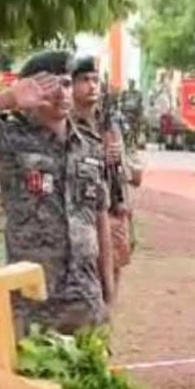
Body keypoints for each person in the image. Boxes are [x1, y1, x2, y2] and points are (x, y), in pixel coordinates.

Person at [0, 49, 115, 336]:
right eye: (49, 85)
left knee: (88, 365)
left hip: (85, 301)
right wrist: (8, 98)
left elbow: (99, 218)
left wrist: (108, 292)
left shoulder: (90, 146)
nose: (61, 93)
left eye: (66, 84)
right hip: (32, 303)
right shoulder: (9, 137)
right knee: (26, 367)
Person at [71, 54, 141, 288]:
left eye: (95, 80)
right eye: (84, 80)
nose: (92, 86)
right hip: (80, 213)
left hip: (113, 208)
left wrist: (122, 158)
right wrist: (99, 157)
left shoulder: (112, 122)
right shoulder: (64, 123)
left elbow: (135, 174)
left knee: (112, 273)